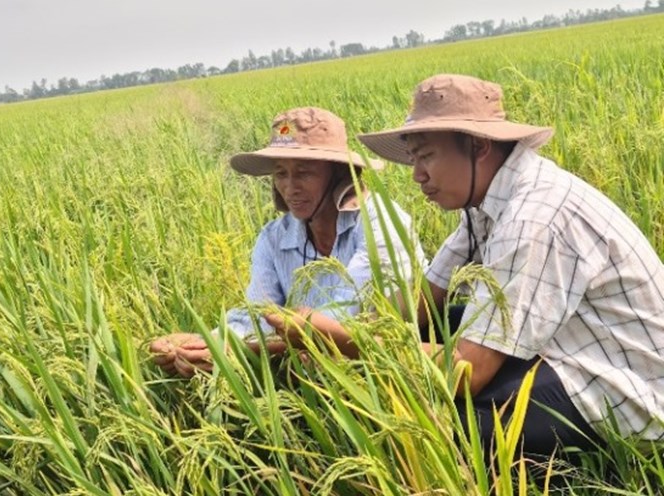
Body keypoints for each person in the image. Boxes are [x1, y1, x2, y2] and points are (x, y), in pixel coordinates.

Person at [352, 73, 664, 457]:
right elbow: (425, 298)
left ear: (479, 146)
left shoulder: (533, 217)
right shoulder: (486, 202)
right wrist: (356, 331)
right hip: (568, 347)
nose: (417, 175)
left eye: (427, 155)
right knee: (440, 323)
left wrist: (345, 343)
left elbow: (466, 372)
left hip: (629, 392)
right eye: (414, 158)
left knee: (437, 424)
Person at [150, 107, 425, 377]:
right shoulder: (273, 238)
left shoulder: (382, 223)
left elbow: (347, 319)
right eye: (281, 173)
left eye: (304, 173)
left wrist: (236, 350)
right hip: (311, 371)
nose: (290, 188)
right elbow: (259, 314)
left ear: (339, 174)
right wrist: (203, 343)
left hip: (390, 369)